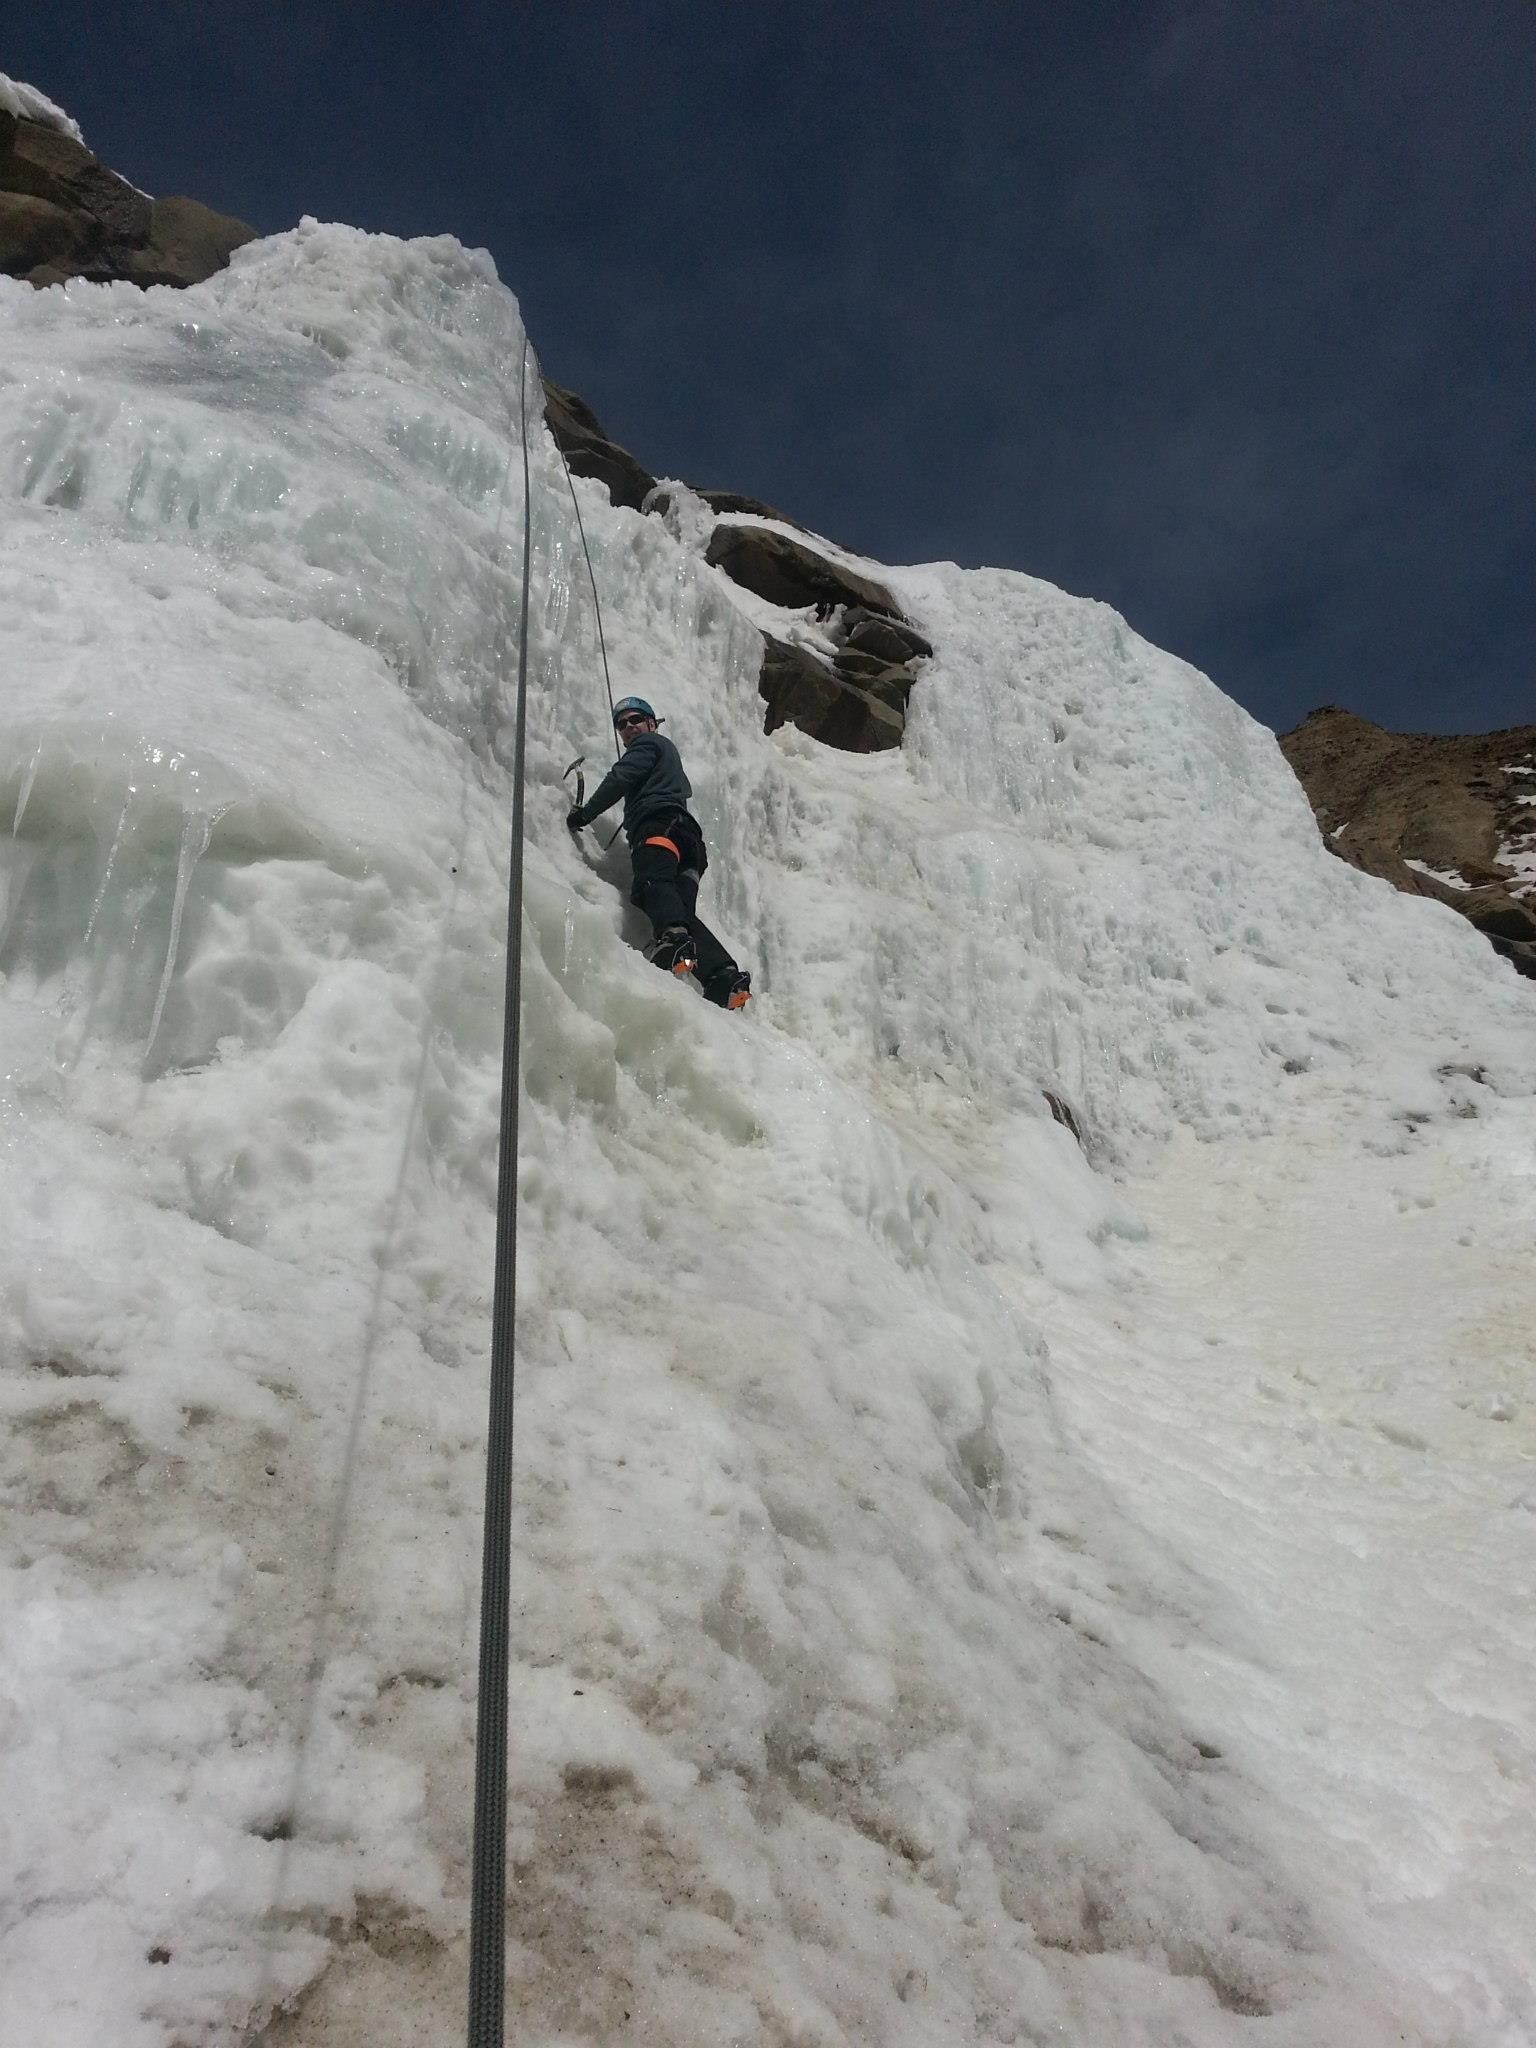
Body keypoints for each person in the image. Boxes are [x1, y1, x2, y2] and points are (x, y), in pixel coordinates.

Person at [566, 697, 752, 1010]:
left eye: (635, 719)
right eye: (621, 725)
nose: (628, 727)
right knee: (676, 908)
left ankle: (674, 940)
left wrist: (585, 815)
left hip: (659, 826)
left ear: (652, 723)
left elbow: (620, 778)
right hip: (688, 842)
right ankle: (722, 975)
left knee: (652, 882)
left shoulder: (648, 744)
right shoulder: (665, 757)